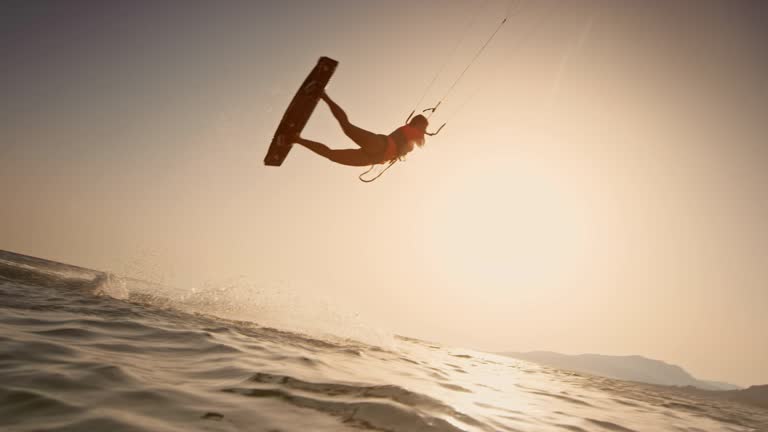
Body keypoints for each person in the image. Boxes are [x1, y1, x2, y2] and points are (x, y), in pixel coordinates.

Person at [291, 92, 428, 167]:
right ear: (417, 124)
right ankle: (323, 95)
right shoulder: (413, 132)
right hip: (379, 145)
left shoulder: (415, 137)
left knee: (331, 155)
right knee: (347, 127)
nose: (425, 129)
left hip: (370, 158)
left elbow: (415, 143)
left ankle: (296, 139)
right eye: (423, 126)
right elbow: (418, 141)